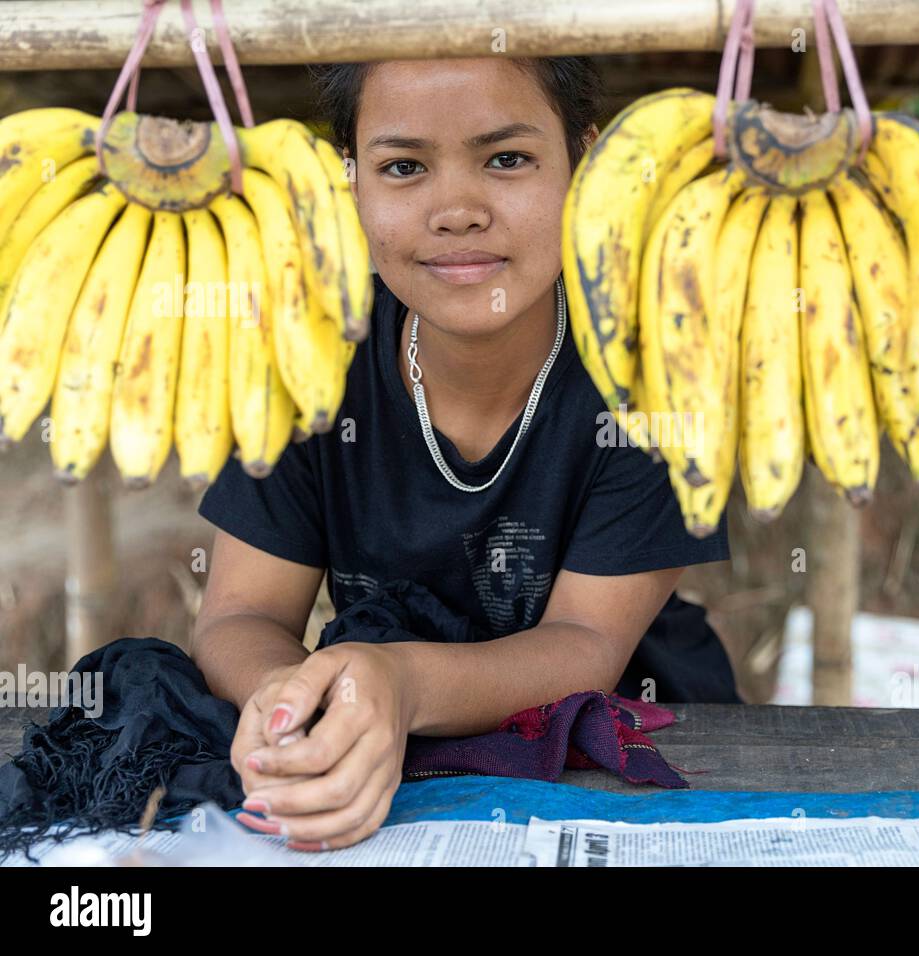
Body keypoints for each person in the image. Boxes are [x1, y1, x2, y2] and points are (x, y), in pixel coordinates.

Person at [191, 56, 739, 852]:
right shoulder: (304, 355)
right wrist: (294, 699)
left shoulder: (655, 366)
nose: (456, 210)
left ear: (585, 165)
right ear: (350, 183)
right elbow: (240, 614)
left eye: (506, 159)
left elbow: (586, 644)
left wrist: (395, 680)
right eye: (404, 167)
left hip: (641, 762)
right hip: (384, 758)